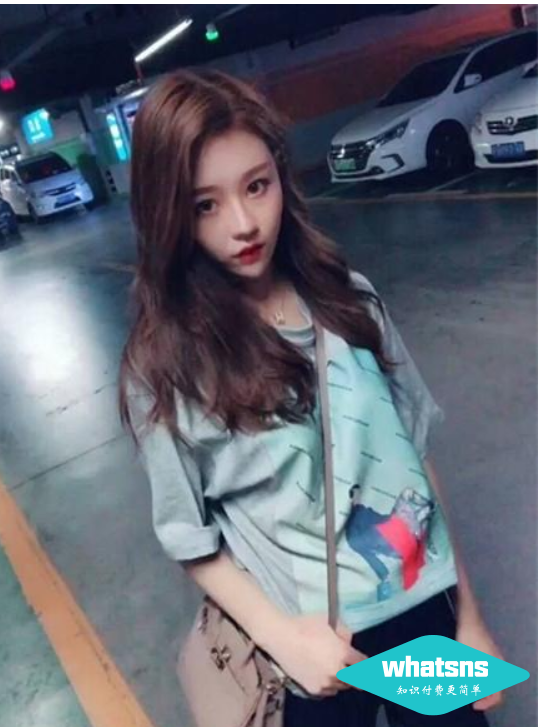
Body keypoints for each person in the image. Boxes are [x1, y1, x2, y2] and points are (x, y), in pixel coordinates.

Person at [118, 68, 504, 726]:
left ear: (281, 178)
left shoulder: (349, 300)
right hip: (310, 650)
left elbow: (414, 456)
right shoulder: (167, 364)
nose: (244, 224)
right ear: (166, 212)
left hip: (423, 619)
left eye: (257, 186)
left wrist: (469, 616)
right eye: (204, 205)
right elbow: (190, 538)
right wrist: (285, 639)